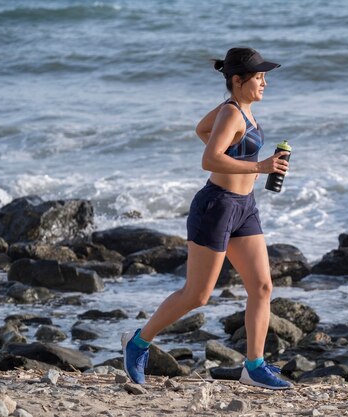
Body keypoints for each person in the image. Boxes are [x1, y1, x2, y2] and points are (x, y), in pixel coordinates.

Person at [121, 47, 292, 390]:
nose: (265, 83)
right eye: (258, 77)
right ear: (237, 80)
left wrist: (247, 170)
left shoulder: (241, 110)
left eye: (264, 77)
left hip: (245, 207)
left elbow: (202, 129)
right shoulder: (231, 114)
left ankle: (254, 366)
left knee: (261, 286)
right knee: (197, 295)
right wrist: (258, 167)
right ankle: (137, 343)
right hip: (216, 207)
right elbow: (209, 159)